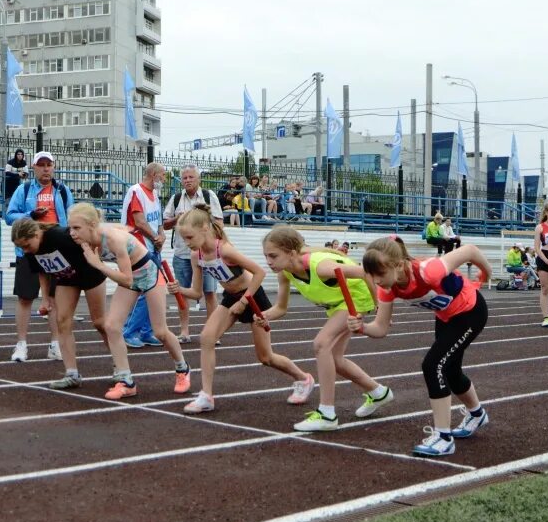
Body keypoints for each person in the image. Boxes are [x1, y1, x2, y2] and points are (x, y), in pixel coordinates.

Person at [352, 237, 494, 456]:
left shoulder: (429, 270)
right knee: (450, 370)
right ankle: (477, 414)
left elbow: (470, 250)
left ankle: (443, 437)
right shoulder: (387, 289)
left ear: (398, 265)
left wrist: (486, 272)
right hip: (446, 317)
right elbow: (380, 329)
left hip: (470, 312)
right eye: (371, 275)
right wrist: (361, 328)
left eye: (379, 274)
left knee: (433, 365)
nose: (375, 280)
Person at [168, 208, 314, 413]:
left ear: (205, 229)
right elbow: (196, 292)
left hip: (252, 297)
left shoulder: (225, 250)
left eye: (190, 237)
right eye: (183, 238)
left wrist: (245, 301)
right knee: (207, 338)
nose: (187, 242)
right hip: (231, 298)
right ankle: (206, 396)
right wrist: (179, 289)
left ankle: (303, 378)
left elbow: (259, 272)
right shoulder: (196, 256)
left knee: (266, 358)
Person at [260, 226, 394, 432]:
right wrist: (264, 315)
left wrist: (380, 310)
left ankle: (327, 413)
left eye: (273, 256)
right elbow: (281, 308)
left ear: (292, 253)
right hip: (337, 304)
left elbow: (367, 273)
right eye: (266, 256)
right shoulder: (286, 273)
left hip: (356, 298)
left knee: (321, 344)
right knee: (336, 360)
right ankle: (378, 393)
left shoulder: (321, 267)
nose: (269, 261)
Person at [70, 203, 191, 398]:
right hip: (132, 277)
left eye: (76, 228)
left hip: (150, 275)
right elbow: (124, 233)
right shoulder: (86, 241)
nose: (72, 233)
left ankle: (182, 368)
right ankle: (126, 380)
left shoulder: (112, 239)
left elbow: (126, 279)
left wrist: (98, 264)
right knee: (111, 326)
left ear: (92, 225)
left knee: (160, 331)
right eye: (70, 228)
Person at [10, 210, 109, 390]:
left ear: (36, 234)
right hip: (66, 280)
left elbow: (91, 239)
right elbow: (42, 271)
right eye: (22, 248)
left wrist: (99, 258)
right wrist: (46, 298)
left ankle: (120, 366)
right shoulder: (30, 251)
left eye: (26, 245)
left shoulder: (59, 236)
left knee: (100, 323)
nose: (25, 250)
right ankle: (71, 373)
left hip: (90, 275)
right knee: (62, 321)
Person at [4, 150, 67, 362]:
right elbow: (9, 216)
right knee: (25, 297)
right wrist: (30, 215)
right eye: (41, 165)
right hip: (29, 251)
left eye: (49, 164)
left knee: (55, 299)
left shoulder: (63, 190)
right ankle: (21, 344)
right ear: (34, 167)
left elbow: (72, 215)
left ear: (54, 167)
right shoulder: (24, 189)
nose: (46, 168)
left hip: (55, 251)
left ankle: (55, 343)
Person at [162, 163, 222, 343]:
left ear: (199, 179)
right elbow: (164, 224)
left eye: (191, 177)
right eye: (185, 178)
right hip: (181, 253)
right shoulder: (176, 198)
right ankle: (184, 332)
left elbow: (219, 223)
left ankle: (212, 333)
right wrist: (177, 219)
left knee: (210, 293)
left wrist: (206, 235)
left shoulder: (208, 196)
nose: (187, 180)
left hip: (206, 254)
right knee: (182, 293)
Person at [120, 162, 167, 348]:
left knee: (154, 289)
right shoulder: (136, 191)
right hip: (137, 246)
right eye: (162, 176)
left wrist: (161, 236)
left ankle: (147, 331)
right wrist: (156, 237)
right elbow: (139, 222)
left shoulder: (155, 194)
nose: (164, 179)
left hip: (152, 247)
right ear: (154, 175)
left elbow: (159, 221)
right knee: (145, 290)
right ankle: (129, 331)